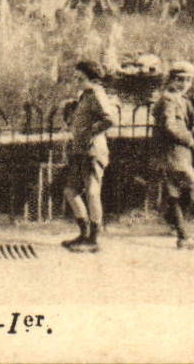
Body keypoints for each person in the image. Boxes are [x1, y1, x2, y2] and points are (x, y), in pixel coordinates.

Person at [59, 59, 119, 253]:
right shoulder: (85, 95)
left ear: (90, 78)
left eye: (80, 77)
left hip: (93, 151)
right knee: (70, 191)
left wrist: (91, 133)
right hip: (80, 151)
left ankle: (93, 237)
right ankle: (83, 233)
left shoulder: (96, 94)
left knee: (92, 192)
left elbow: (109, 119)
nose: (76, 80)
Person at [151, 61, 194, 249]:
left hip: (180, 153)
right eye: (179, 79)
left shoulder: (181, 99)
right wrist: (188, 139)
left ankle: (173, 222)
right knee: (193, 188)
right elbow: (169, 126)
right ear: (171, 80)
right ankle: (182, 236)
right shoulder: (168, 99)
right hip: (171, 151)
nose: (184, 83)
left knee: (182, 190)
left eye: (188, 80)